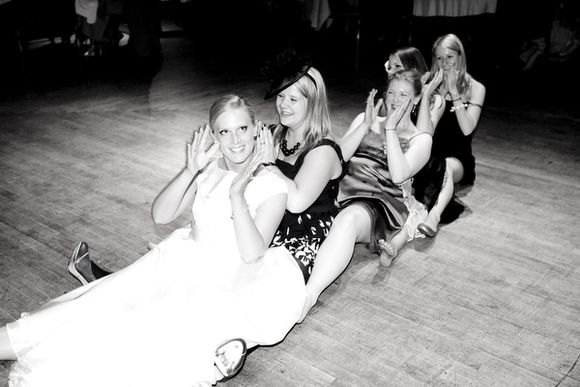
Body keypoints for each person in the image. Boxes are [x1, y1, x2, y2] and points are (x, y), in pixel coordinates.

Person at [0, 94, 309, 387]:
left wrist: (237, 193)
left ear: (256, 129)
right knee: (101, 307)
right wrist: (190, 170)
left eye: (242, 128)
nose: (236, 140)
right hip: (182, 258)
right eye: (224, 132)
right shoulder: (209, 169)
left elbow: (252, 254)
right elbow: (161, 215)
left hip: (230, 276)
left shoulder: (271, 182)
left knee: (146, 334)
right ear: (214, 137)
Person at [301, 70, 434, 320]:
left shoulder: (421, 139)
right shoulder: (366, 118)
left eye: (404, 94)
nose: (395, 99)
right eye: (391, 92)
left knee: (348, 220)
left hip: (378, 202)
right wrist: (365, 126)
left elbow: (398, 175)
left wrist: (391, 130)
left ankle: (309, 295)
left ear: (416, 99)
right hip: (341, 189)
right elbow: (336, 157)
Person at [414, 33, 486, 237]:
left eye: (449, 57)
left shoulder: (477, 88)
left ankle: (434, 216)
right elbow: (421, 129)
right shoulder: (431, 82)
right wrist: (426, 93)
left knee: (444, 167)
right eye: (439, 58)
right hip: (431, 152)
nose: (444, 63)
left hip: (458, 159)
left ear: (460, 56)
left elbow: (467, 129)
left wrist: (454, 93)